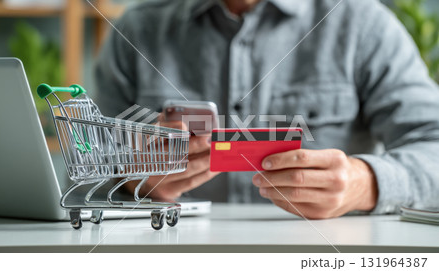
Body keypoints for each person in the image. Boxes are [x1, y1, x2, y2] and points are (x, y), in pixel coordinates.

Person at [94, 0, 439, 219]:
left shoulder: (363, 24)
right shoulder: (137, 30)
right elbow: (87, 169)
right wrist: (131, 184)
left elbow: (433, 144)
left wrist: (364, 183)